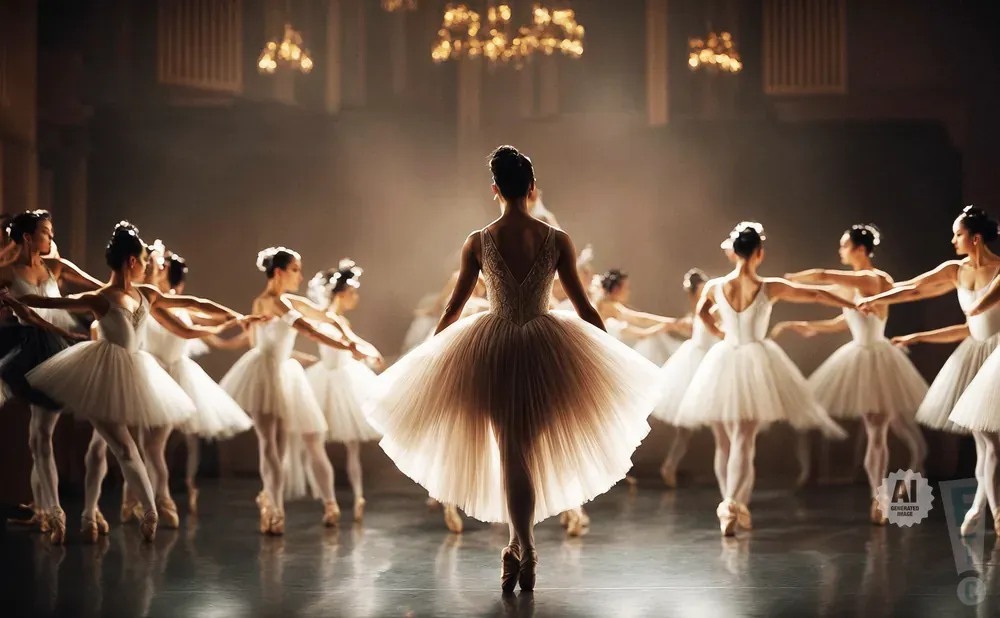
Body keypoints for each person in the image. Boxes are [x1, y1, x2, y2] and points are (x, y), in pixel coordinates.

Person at [364, 145, 662, 593]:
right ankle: (519, 545)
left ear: (495, 190)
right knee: (525, 452)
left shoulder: (478, 240)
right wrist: (607, 352)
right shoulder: (557, 239)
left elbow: (452, 310)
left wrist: (427, 358)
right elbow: (584, 308)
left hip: (494, 347)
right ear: (532, 188)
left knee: (511, 452)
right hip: (547, 348)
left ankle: (521, 546)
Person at [673, 222, 849, 536]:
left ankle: (733, 507)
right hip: (753, 359)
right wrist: (852, 304)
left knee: (724, 442)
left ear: (734, 254)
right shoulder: (769, 286)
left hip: (725, 357)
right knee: (744, 439)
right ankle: (733, 503)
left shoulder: (715, 285)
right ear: (759, 253)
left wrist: (720, 332)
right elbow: (816, 295)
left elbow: (701, 312)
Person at [858, 206, 1000, 535]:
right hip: (975, 354)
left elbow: (981, 313)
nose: (953, 240)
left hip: (996, 356)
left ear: (975, 238)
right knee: (984, 442)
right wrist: (883, 300)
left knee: (989, 442)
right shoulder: (955, 270)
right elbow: (914, 288)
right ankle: (981, 508)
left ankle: (990, 512)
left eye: (958, 234)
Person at [772, 224, 929, 524]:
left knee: (878, 432)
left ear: (860, 249)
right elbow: (844, 320)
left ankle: (880, 497)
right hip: (859, 352)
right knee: (875, 431)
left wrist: (788, 280)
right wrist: (810, 327)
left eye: (844, 245)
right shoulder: (855, 285)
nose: (840, 250)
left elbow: (821, 276)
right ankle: (878, 496)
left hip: (876, 356)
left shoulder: (874, 278)